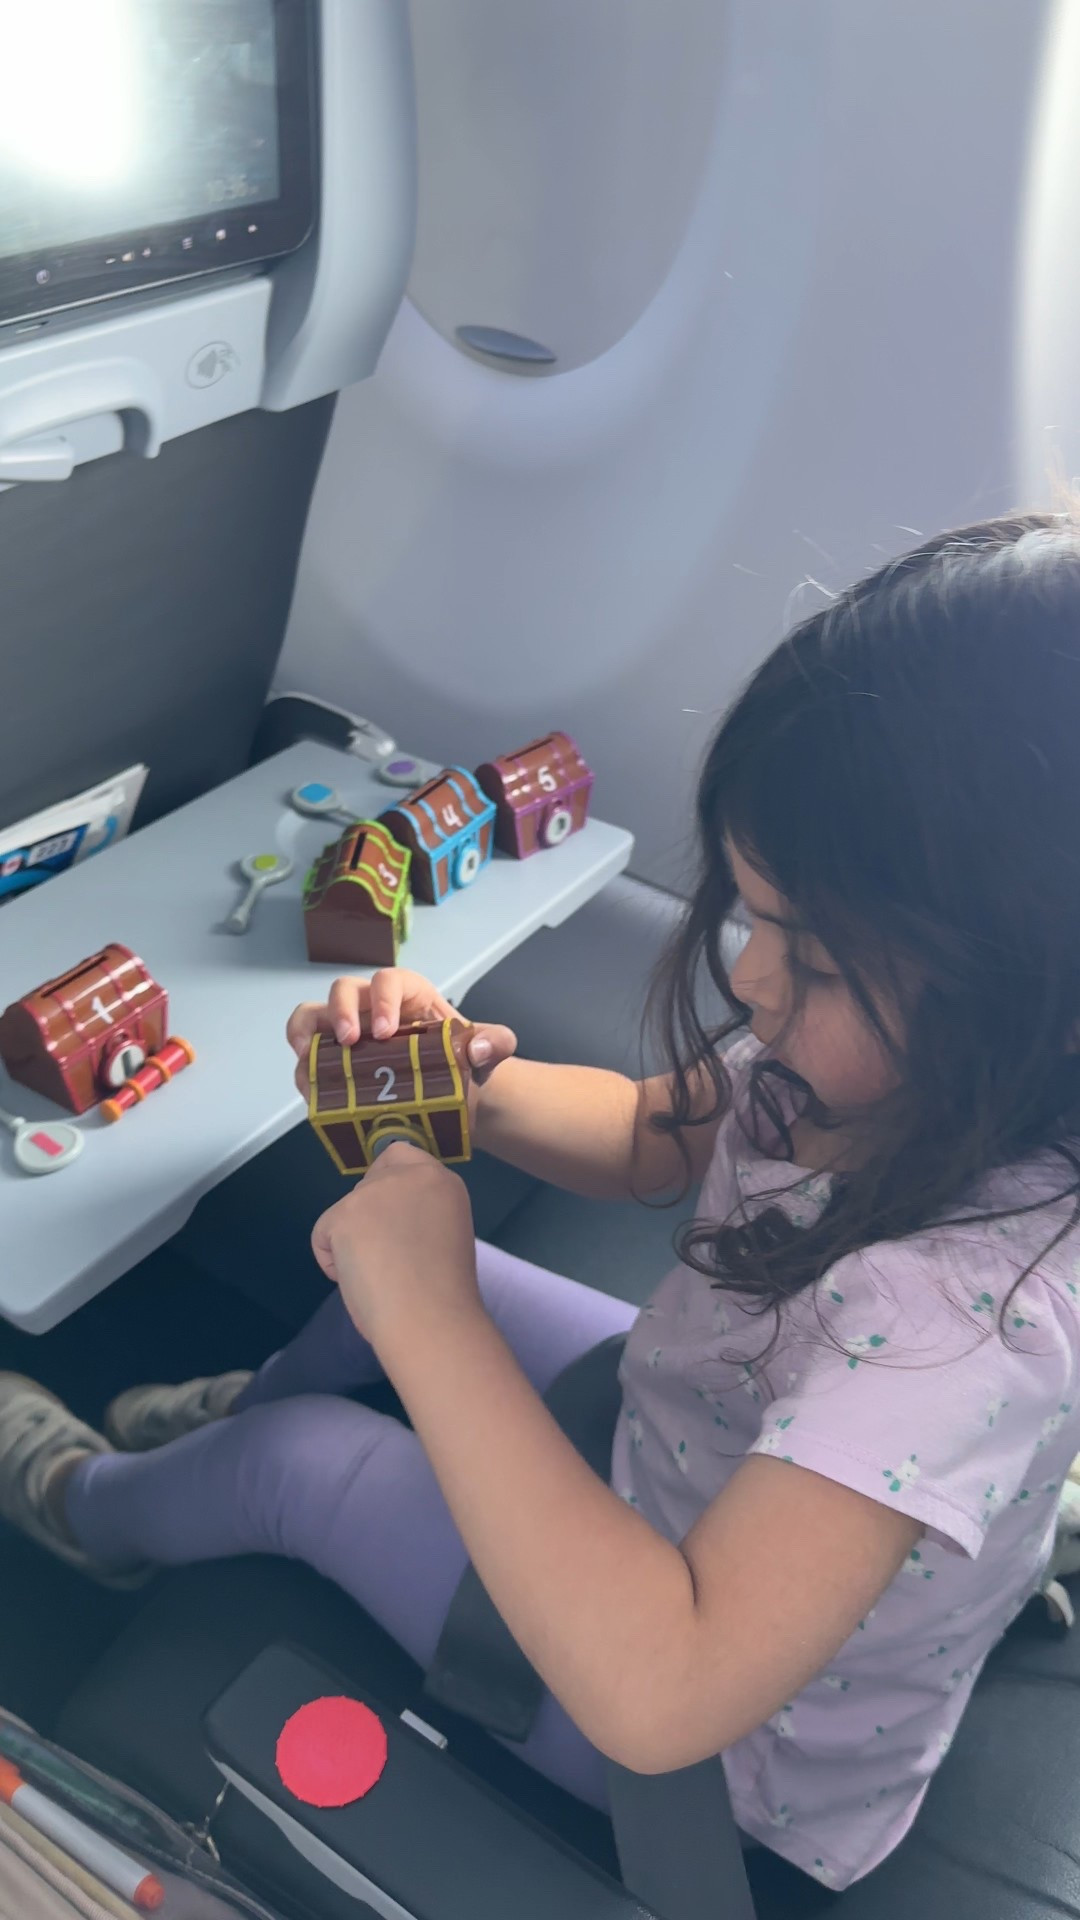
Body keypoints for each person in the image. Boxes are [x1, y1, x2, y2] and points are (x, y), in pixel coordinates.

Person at [4, 511, 1080, 1893]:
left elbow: (667, 1685)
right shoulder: (889, 1067)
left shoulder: (959, 1330)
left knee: (300, 1469)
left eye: (808, 958)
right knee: (365, 1304)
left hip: (729, 1745)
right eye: (755, 919)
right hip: (683, 1438)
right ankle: (233, 1412)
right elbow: (651, 1135)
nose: (749, 981)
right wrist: (459, 1084)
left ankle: (86, 1509)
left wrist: (433, 1316)